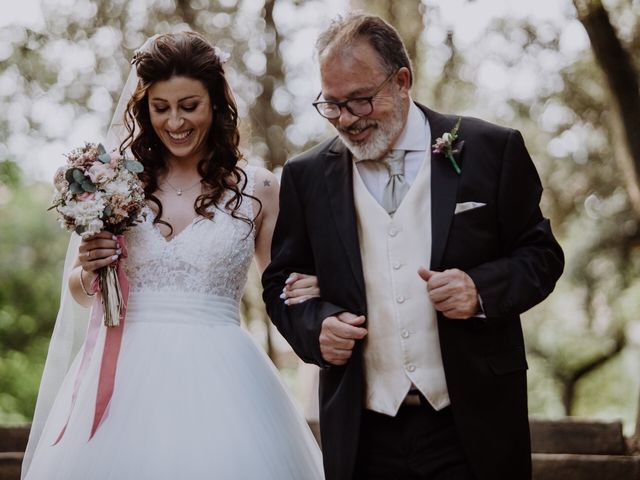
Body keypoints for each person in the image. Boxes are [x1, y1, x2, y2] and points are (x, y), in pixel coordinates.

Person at [263, 13, 564, 480]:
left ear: (402, 81)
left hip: (472, 423)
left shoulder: (490, 149)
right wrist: (316, 327)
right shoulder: (306, 176)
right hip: (363, 430)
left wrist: (479, 290)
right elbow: (280, 282)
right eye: (333, 105)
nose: (346, 120)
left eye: (361, 102)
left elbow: (541, 255)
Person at [22, 31, 324, 480]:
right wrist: (89, 270)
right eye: (160, 108)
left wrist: (309, 290)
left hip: (225, 382)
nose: (175, 122)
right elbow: (81, 292)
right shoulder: (117, 181)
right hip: (121, 377)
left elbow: (277, 285)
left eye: (189, 106)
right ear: (144, 108)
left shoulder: (258, 189)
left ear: (216, 104)